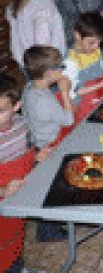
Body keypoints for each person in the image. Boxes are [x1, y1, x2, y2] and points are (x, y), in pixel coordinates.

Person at [22, 46, 74, 242]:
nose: (62, 70)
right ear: (49, 73)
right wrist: (65, 92)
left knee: (48, 187)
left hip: (37, 141)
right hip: (50, 145)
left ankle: (49, 226)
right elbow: (68, 119)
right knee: (52, 189)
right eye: (59, 67)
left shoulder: (30, 87)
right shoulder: (44, 100)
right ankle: (47, 232)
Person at [0, 73, 52, 271]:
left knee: (16, 236)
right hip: (4, 198)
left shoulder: (22, 124)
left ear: (16, 106)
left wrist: (38, 155)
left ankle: (17, 266)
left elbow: (28, 149)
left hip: (20, 194)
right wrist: (3, 191)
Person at [63, 12, 103, 101]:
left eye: (99, 42)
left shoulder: (95, 50)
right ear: (77, 36)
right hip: (82, 107)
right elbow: (73, 92)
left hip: (99, 98)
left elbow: (102, 71)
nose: (97, 46)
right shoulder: (70, 61)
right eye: (92, 42)